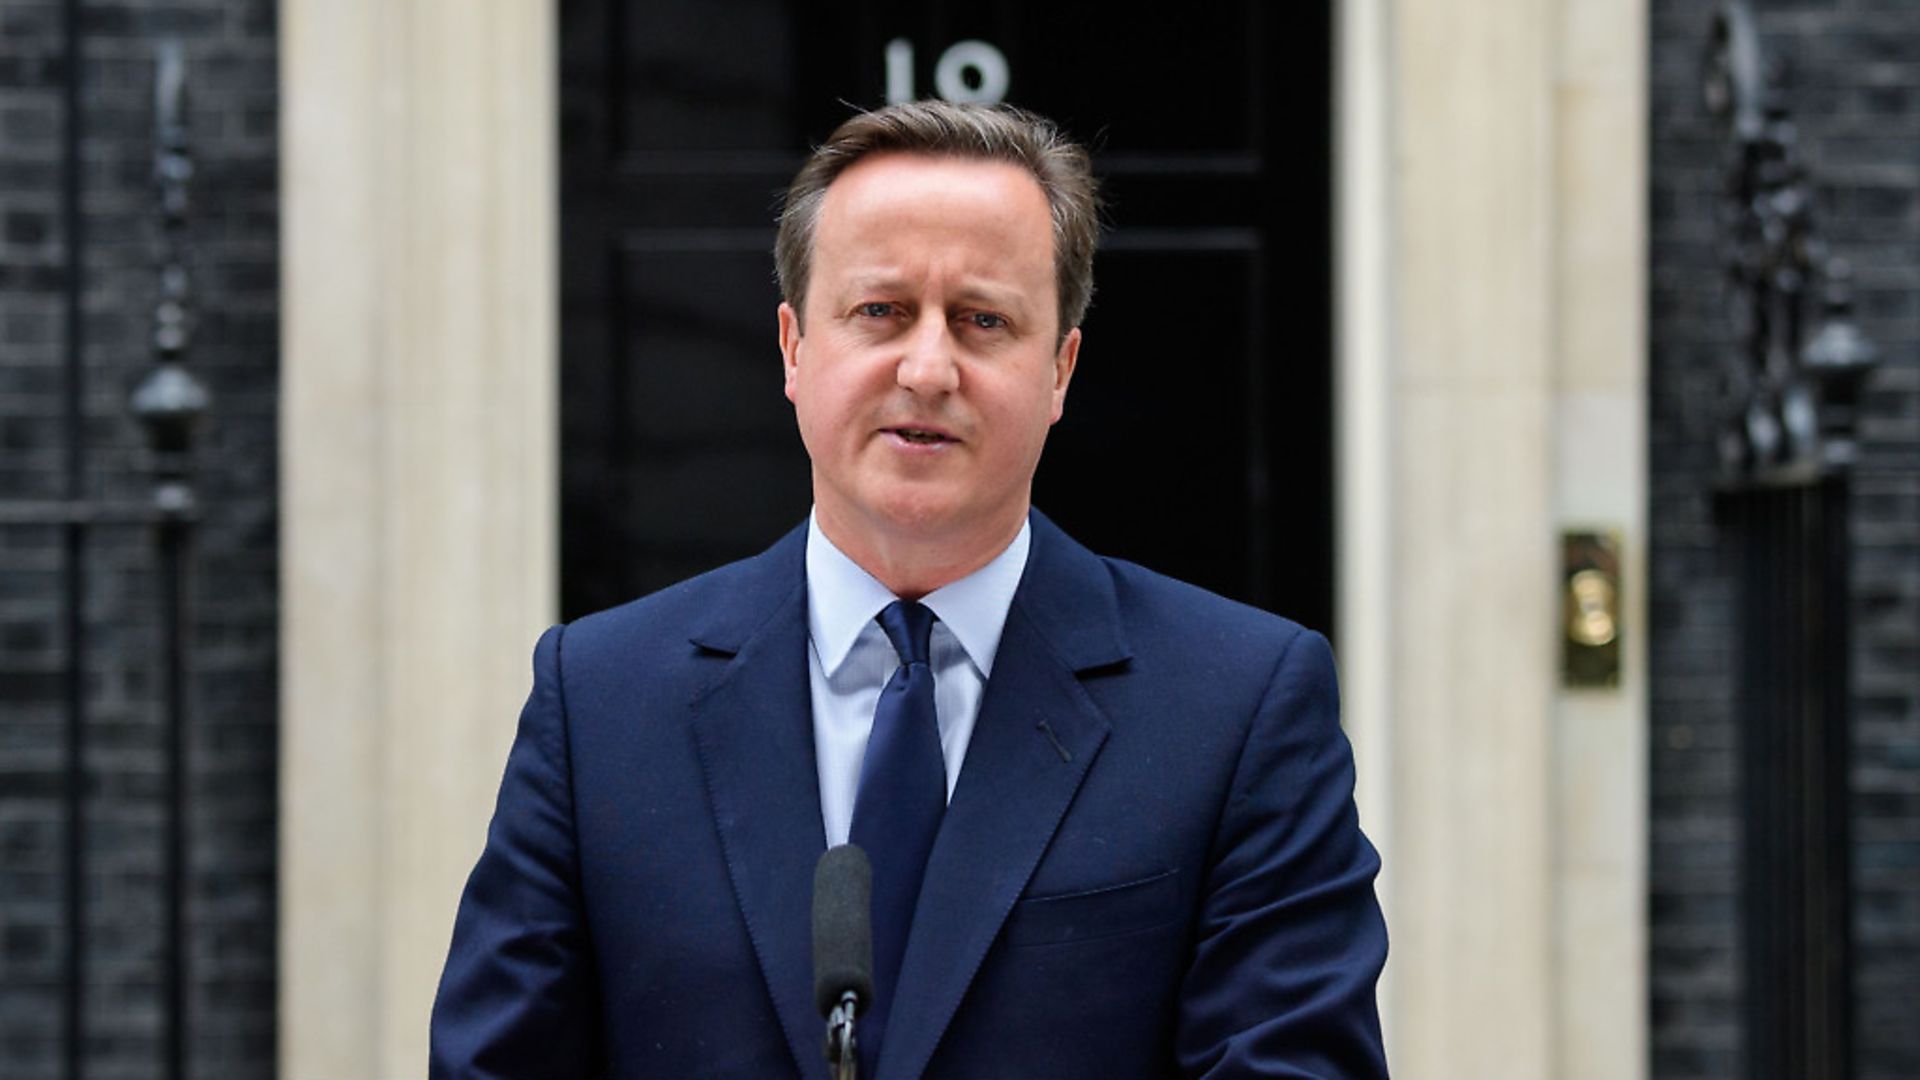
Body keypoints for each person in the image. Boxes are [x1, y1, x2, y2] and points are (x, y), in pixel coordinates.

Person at [429, 100, 1388, 1079]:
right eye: (881, 312)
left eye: (982, 321)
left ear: (1060, 369)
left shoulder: (1238, 706)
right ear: (795, 347)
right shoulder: (599, 700)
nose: (929, 370)